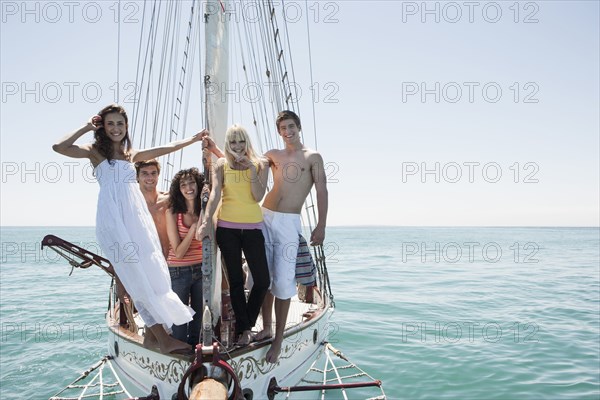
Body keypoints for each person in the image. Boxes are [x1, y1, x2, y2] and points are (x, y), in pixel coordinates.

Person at [52, 104, 204, 354]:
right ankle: (162, 340)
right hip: (114, 221)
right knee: (136, 276)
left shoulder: (130, 155)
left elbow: (167, 147)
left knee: (152, 272)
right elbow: (59, 147)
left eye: (120, 124)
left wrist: (193, 139)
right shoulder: (95, 153)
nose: (116, 128)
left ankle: (153, 338)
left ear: (126, 127)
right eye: (110, 123)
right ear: (103, 127)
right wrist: (86, 127)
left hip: (136, 221)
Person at [257, 110, 328, 363]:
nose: (287, 131)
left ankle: (277, 340)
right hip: (264, 216)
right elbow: (242, 162)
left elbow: (321, 190)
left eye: (291, 126)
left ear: (299, 127)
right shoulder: (272, 155)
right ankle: (265, 327)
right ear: (279, 131)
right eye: (283, 128)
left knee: (284, 283)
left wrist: (321, 225)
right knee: (263, 277)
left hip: (288, 222)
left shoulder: (313, 157)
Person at [198, 124, 270, 346]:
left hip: (253, 228)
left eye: (241, 141)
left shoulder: (260, 164)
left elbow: (258, 196)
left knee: (263, 280)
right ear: (228, 144)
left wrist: (250, 169)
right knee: (236, 282)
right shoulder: (221, 164)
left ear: (247, 142)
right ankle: (245, 329)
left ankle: (245, 323)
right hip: (227, 229)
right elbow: (216, 193)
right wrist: (206, 221)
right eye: (232, 142)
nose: (237, 146)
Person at [165, 167, 206, 345]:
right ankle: (180, 356)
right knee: (180, 322)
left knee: (199, 321)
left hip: (202, 269)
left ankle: (196, 359)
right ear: (178, 189)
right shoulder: (173, 212)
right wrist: (194, 228)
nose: (188, 187)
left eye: (191, 183)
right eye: (183, 185)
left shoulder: (206, 209)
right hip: (178, 271)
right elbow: (179, 252)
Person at [135, 159, 170, 258]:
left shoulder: (169, 200)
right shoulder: (132, 204)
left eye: (153, 173)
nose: (150, 177)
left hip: (173, 263)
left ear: (158, 175)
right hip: (147, 262)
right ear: (137, 177)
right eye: (145, 173)